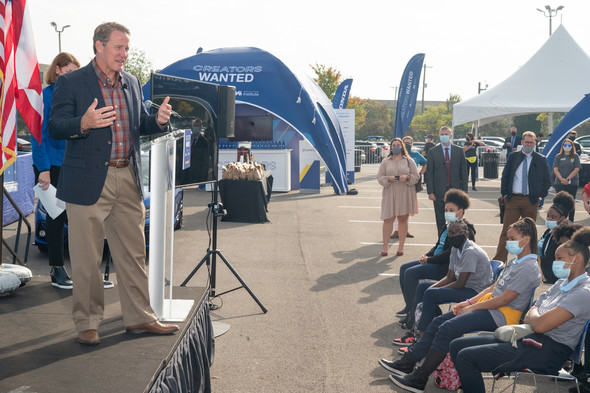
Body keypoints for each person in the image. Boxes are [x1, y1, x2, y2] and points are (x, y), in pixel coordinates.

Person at [48, 22, 179, 345]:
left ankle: (139, 319)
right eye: (119, 47)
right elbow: (55, 126)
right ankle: (88, 322)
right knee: (86, 257)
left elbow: (136, 126)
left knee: (134, 254)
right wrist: (84, 122)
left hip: (127, 176)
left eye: (127, 49)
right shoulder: (71, 82)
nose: (124, 54)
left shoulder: (132, 83)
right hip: (87, 179)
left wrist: (157, 122)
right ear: (99, 46)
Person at [379, 218, 542, 393]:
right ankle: (408, 363)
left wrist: (471, 308)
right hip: (490, 308)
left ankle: (419, 378)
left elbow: (504, 300)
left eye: (512, 238)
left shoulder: (528, 267)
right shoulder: (516, 262)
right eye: (508, 238)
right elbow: (492, 288)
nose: (507, 242)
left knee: (448, 328)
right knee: (438, 322)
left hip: (502, 315)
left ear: (526, 239)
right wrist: (468, 302)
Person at [450, 227, 590, 393]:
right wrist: (540, 315)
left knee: (467, 357)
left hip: (547, 352)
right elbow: (534, 309)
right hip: (530, 338)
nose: (555, 263)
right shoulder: (562, 283)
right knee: (456, 345)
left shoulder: (583, 293)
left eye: (559, 258)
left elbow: (539, 324)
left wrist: (539, 317)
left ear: (578, 259)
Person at [394, 221, 491, 347]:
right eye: (450, 233)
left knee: (431, 294)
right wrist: (432, 288)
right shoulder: (455, 249)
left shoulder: (470, 251)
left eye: (457, 232)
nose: (453, 235)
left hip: (475, 292)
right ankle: (415, 330)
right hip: (464, 287)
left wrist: (434, 291)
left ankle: (421, 341)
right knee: (424, 287)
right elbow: (450, 277)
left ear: (466, 234)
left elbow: (460, 283)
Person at [31, 52, 80, 290]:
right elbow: (37, 134)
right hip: (50, 166)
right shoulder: (44, 96)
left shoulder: (74, 97)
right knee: (56, 218)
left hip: (73, 165)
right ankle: (57, 269)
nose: (72, 76)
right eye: (69, 72)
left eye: (75, 73)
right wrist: (43, 169)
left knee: (79, 218)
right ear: (58, 70)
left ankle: (81, 269)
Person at [396, 189, 475, 329]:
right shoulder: (448, 225)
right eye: (446, 209)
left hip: (445, 267)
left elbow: (449, 254)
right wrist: (427, 256)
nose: (447, 212)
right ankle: (410, 308)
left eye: (451, 209)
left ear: (461, 211)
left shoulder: (466, 229)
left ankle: (414, 314)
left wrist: (430, 260)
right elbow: (438, 245)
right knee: (404, 268)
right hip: (435, 260)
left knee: (411, 273)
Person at [493, 131, 551, 262]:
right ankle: (499, 261)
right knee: (506, 232)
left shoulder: (541, 159)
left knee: (529, 233)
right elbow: (505, 177)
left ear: (535, 143)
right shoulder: (513, 157)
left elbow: (547, 181)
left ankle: (529, 262)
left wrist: (540, 196)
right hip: (512, 200)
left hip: (530, 201)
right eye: (527, 142)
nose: (529, 145)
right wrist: (505, 195)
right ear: (522, 142)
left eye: (531, 142)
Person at [377, 138, 420, 256]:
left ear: (402, 147)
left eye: (398, 145)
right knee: (388, 219)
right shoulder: (385, 161)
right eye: (394, 145)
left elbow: (416, 176)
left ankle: (401, 247)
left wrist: (407, 177)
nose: (396, 147)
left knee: (402, 219)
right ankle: (385, 247)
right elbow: (380, 177)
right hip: (390, 192)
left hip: (405, 192)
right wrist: (388, 178)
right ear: (391, 147)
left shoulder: (409, 161)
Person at [424, 126, 468, 235]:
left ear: (451, 136)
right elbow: (429, 172)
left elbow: (464, 172)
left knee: (456, 218)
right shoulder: (433, 151)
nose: (444, 136)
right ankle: (442, 241)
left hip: (455, 191)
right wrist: (430, 191)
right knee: (440, 218)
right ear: (439, 136)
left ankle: (456, 239)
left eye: (446, 134)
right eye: (442, 134)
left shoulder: (459, 151)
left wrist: (464, 191)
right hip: (438, 191)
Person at [390, 136, 427, 239]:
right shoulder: (396, 155)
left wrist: (420, 173)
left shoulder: (416, 155)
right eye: (405, 142)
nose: (407, 145)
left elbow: (425, 163)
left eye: (409, 143)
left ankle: (405, 230)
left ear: (412, 144)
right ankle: (396, 230)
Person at [539, 191, 576, 284]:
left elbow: (551, 258)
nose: (548, 219)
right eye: (547, 216)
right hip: (544, 271)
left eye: (553, 217)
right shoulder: (549, 231)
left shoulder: (565, 235)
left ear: (563, 218)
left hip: (554, 277)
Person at [553, 138, 581, 221]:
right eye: (565, 145)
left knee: (571, 202)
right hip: (559, 183)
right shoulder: (558, 156)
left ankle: (571, 220)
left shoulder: (575, 156)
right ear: (562, 146)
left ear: (572, 146)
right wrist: (561, 179)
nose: (567, 147)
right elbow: (555, 169)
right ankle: (559, 219)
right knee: (559, 202)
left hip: (572, 183)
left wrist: (568, 178)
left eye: (569, 145)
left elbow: (577, 169)